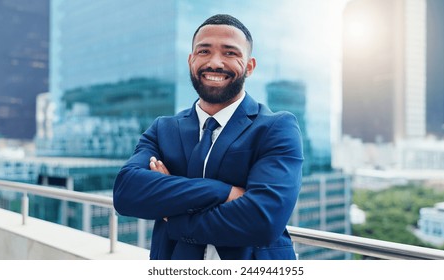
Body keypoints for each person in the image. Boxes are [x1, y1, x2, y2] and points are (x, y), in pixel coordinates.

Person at [113, 14, 303, 260]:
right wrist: (223, 191)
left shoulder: (277, 128)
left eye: (230, 53)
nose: (215, 62)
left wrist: (174, 216)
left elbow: (262, 220)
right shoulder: (163, 129)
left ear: (249, 66)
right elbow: (127, 193)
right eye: (204, 52)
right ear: (191, 60)